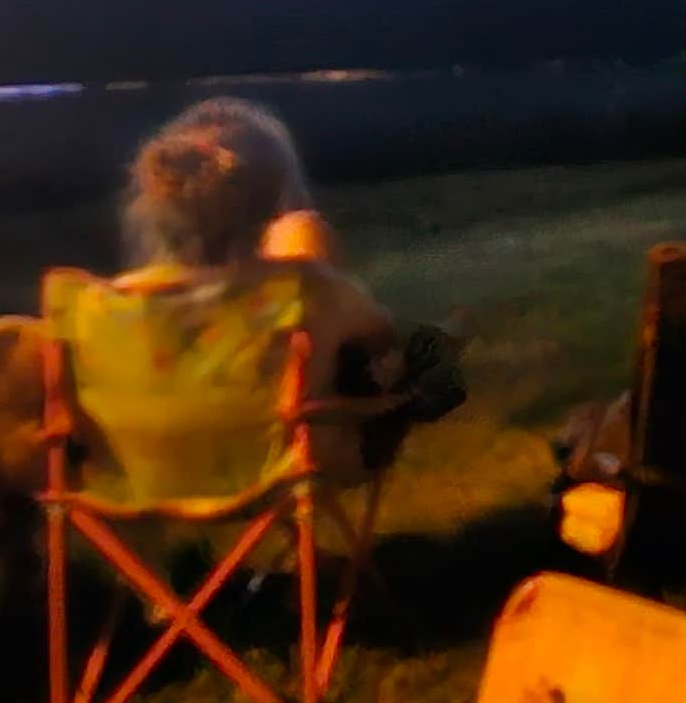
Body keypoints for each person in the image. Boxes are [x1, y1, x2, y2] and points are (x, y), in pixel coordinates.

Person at [108, 99, 444, 468]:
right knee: (426, 352)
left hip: (147, 470)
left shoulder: (109, 303)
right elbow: (379, 334)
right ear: (271, 194)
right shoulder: (300, 284)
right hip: (284, 463)